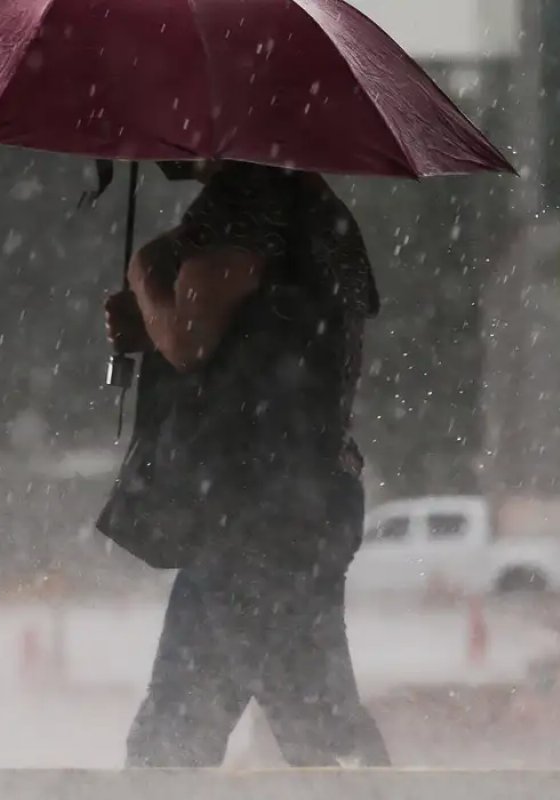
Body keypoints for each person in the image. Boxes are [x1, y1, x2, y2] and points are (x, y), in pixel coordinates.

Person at [102, 160, 392, 768]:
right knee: (176, 735)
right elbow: (256, 336)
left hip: (252, 508)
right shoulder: (317, 206)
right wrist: (153, 319)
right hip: (294, 498)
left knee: (316, 730)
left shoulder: (248, 197)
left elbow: (188, 336)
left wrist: (146, 275)